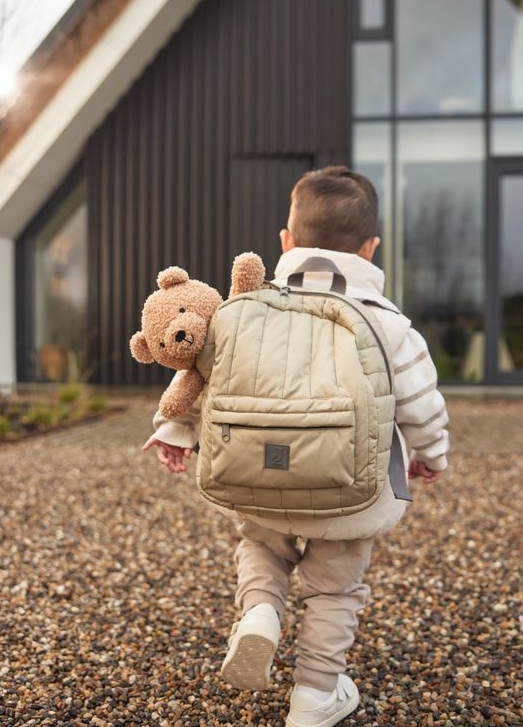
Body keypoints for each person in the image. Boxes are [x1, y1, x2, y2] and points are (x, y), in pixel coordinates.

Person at [143, 167, 449, 727]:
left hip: (257, 479)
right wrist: (431, 454)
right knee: (334, 590)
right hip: (349, 487)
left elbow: (205, 379)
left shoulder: (244, 311)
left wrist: (174, 432)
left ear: (286, 242)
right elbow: (421, 404)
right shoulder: (390, 326)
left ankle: (261, 613)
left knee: (262, 547)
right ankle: (314, 697)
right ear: (370, 248)